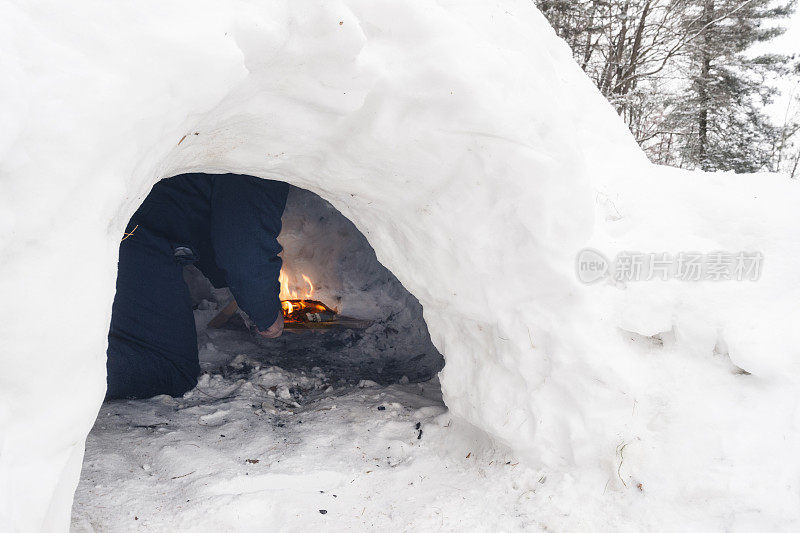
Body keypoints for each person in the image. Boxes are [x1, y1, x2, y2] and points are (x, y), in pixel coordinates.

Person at [106, 173, 289, 399]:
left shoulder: (229, 149)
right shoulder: (267, 158)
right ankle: (67, 379)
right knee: (172, 369)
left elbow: (221, 228)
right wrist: (266, 313)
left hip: (129, 227)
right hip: (137, 238)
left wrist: (227, 286)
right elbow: (243, 249)